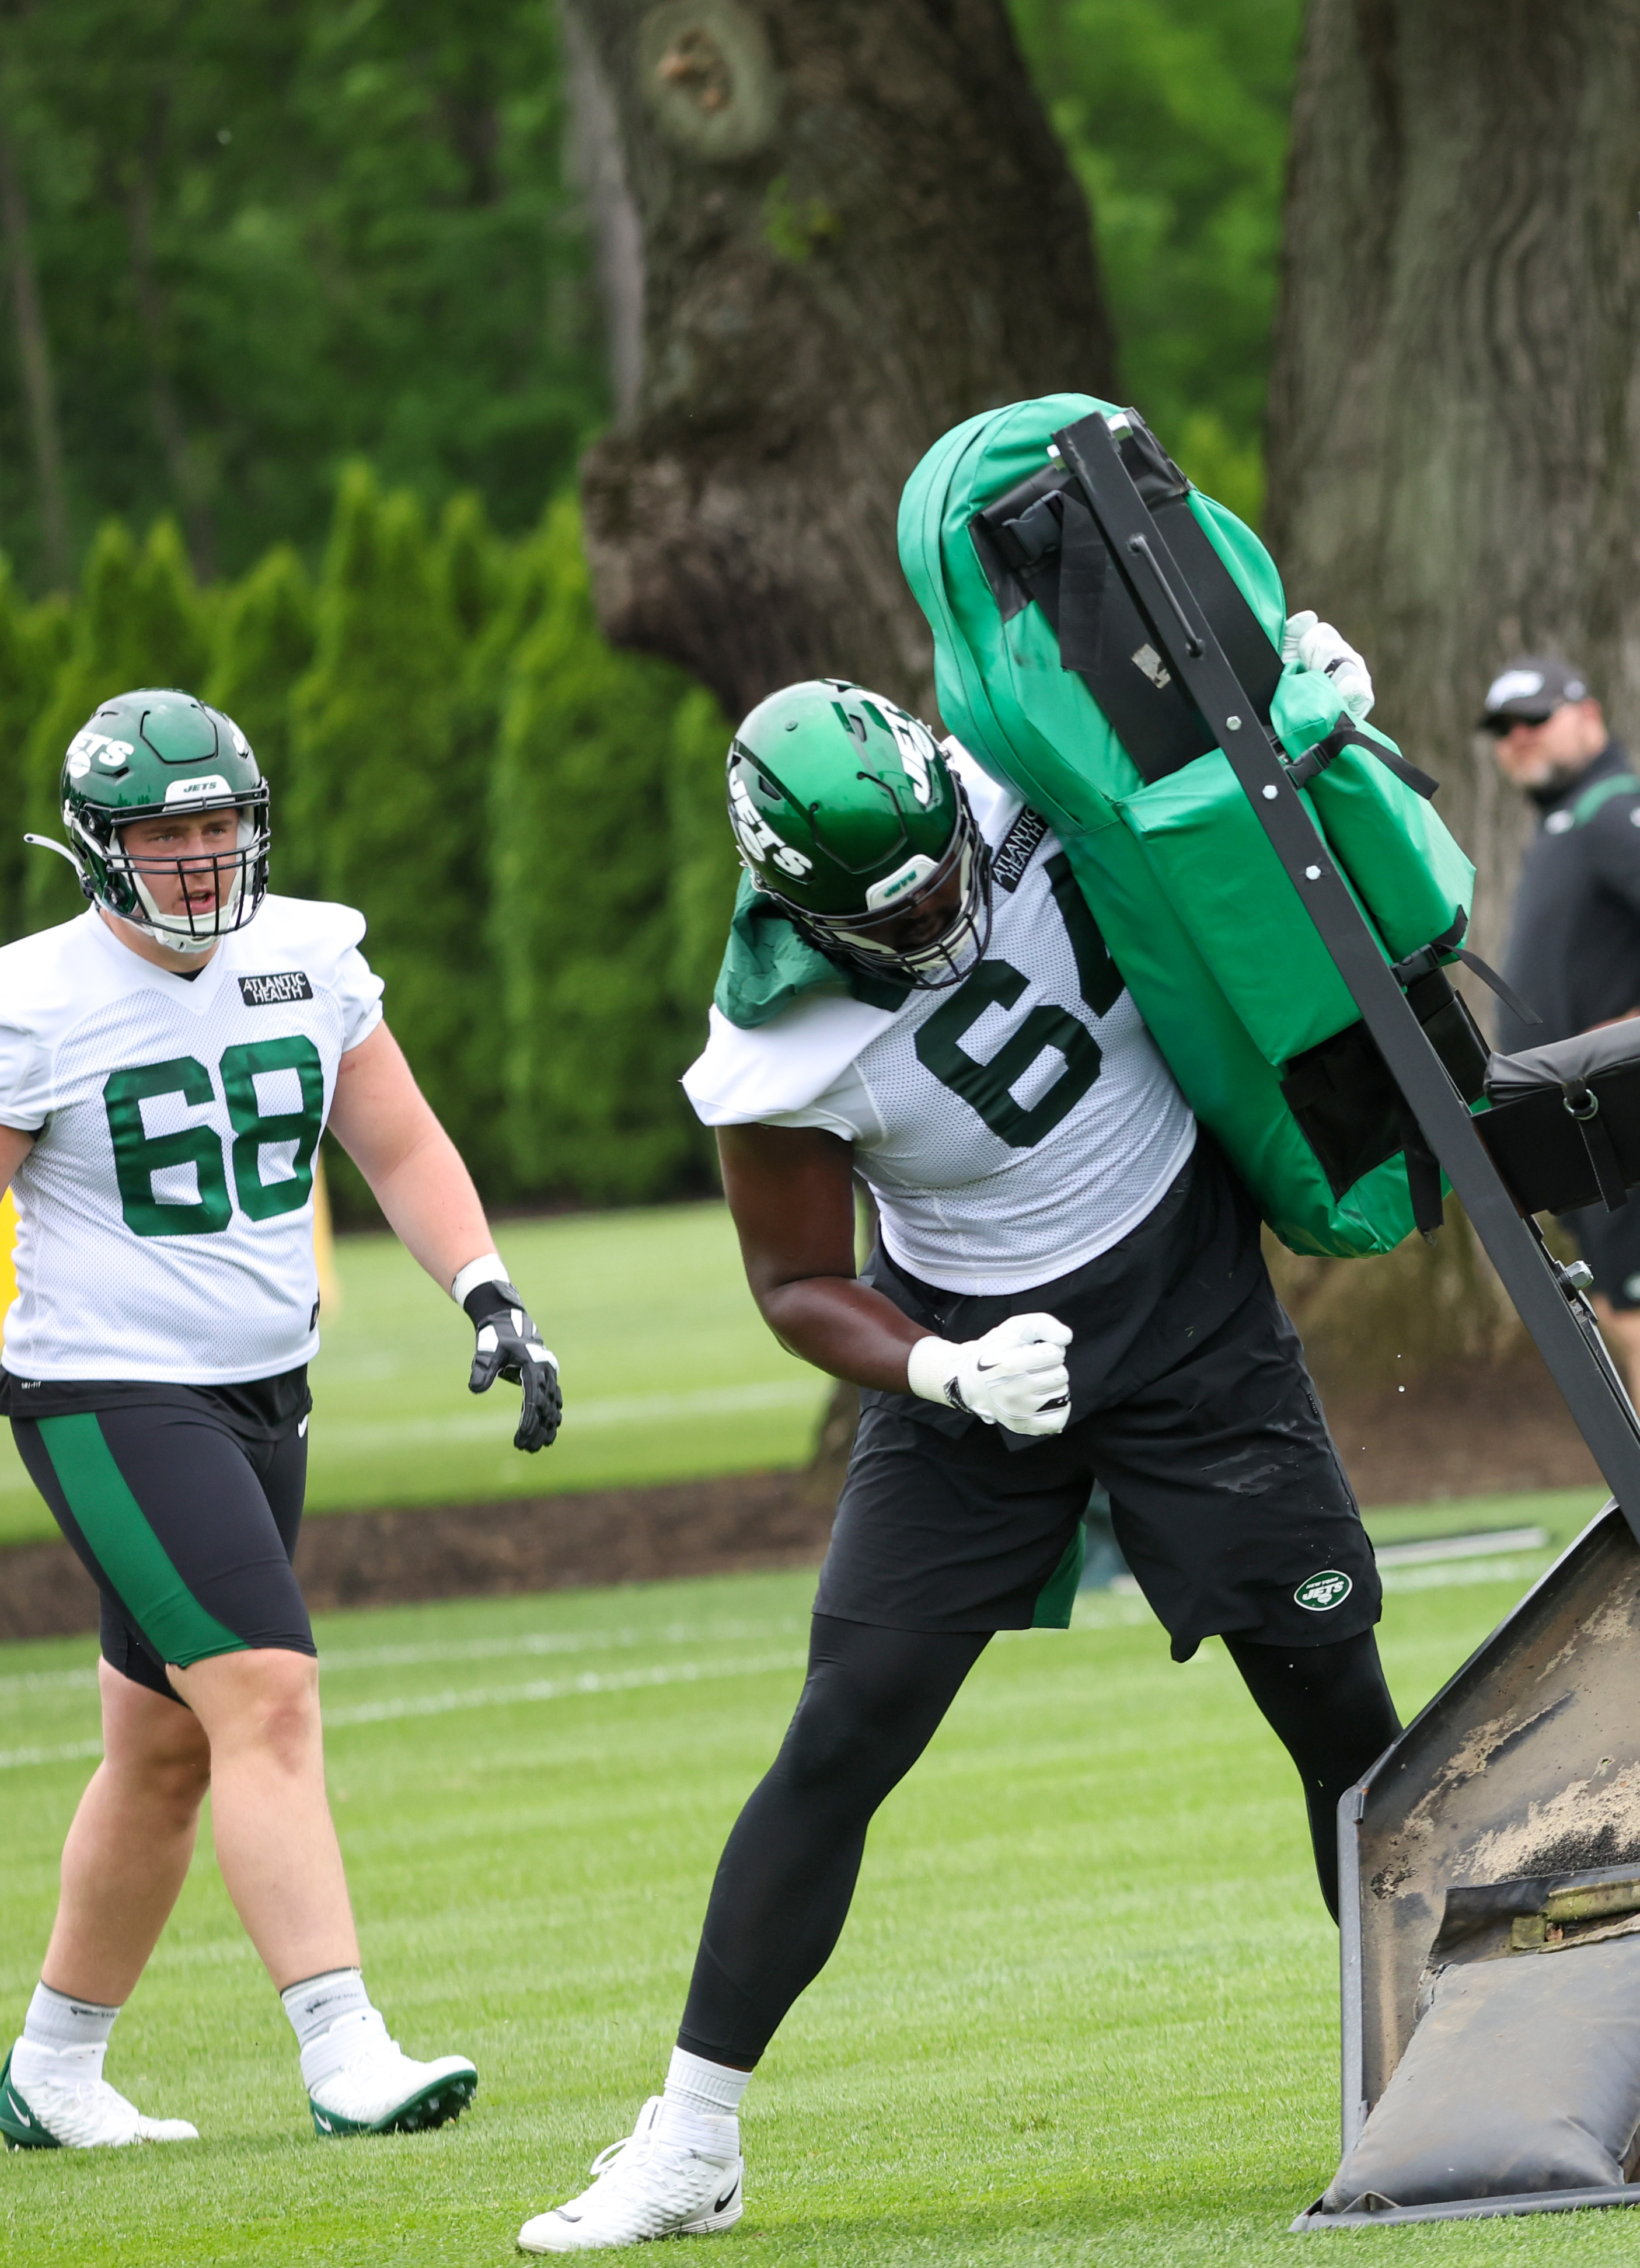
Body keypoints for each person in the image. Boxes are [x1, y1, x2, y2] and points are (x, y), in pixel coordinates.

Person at [519, 677, 1401, 2250]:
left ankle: (1436, 2067)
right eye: (890, 904)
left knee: (1335, 1700)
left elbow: (1186, 713)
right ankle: (694, 2134)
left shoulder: (1013, 766)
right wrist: (940, 1366)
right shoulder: (773, 1030)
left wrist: (1291, 696)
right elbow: (792, 1282)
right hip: (971, 1350)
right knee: (847, 1721)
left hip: (1185, 1292)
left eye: (941, 872)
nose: (935, 910)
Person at [0, 691, 560, 2147]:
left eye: (218, 824)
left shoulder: (310, 952)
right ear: (97, 846)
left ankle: (52, 2069)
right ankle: (341, 2044)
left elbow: (399, 1137)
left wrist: (488, 1286)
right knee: (266, 1690)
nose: (199, 857)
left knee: (167, 1746)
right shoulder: (33, 998)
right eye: (164, 830)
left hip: (264, 1388)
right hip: (106, 1387)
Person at [1482, 655, 1640, 1443]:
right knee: (1631, 1315)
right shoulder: (1567, 825)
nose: (1519, 737)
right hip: (1598, 1122)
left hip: (1639, 1112)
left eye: (1536, 717)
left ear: (1588, 716)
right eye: (1502, 728)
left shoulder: (1609, 809)